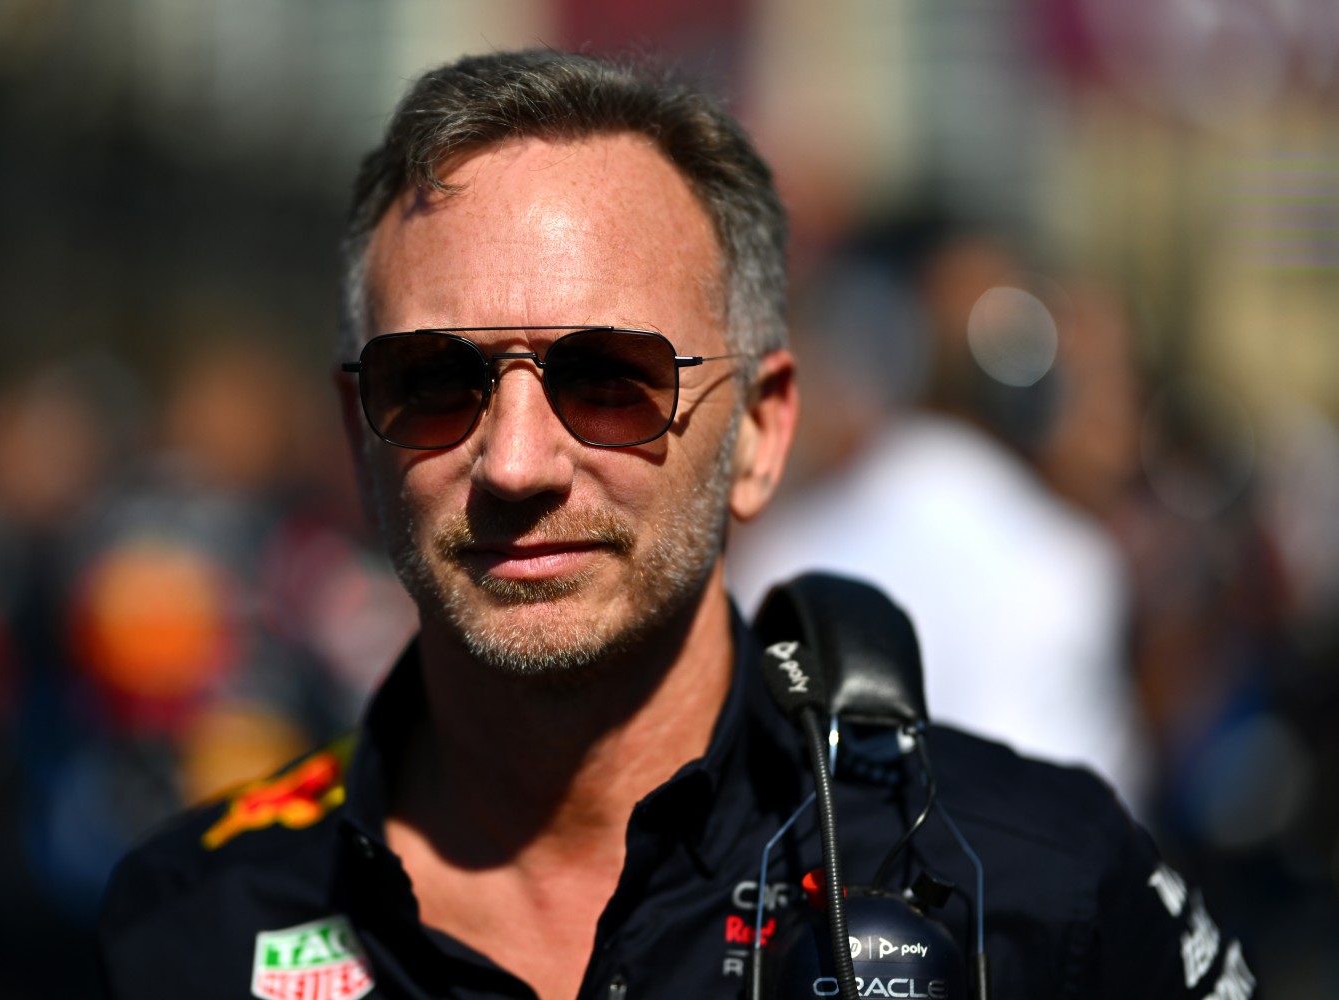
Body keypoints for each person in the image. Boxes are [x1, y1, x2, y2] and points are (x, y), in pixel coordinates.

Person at [97, 49, 1256, 1000]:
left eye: (609, 378)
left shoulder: (1044, 885)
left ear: (758, 431)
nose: (515, 462)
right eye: (436, 382)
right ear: (359, 435)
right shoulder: (190, 926)